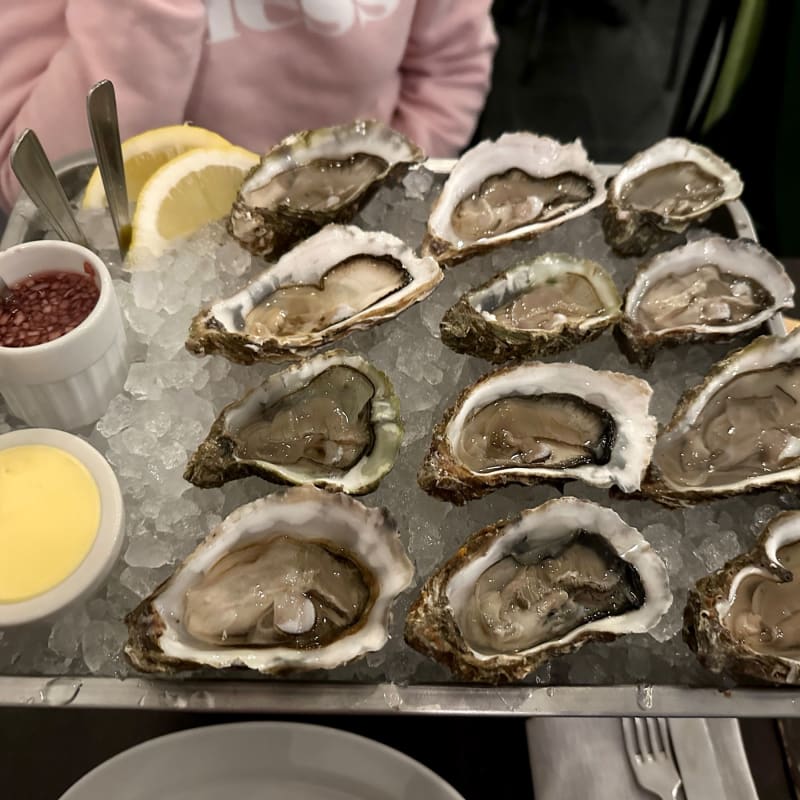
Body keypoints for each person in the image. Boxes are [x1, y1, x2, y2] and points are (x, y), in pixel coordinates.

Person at [0, 0, 497, 210]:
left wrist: (390, 198)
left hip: (360, 202)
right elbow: (33, 185)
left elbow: (449, 70)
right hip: (157, 244)